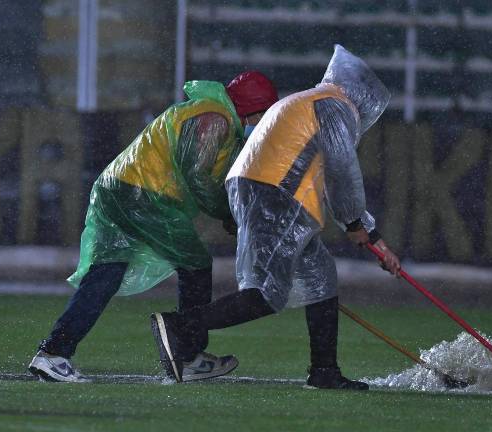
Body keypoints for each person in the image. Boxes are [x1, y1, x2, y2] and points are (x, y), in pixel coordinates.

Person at [150, 45, 401, 390]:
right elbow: (343, 173)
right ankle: (181, 327)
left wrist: (372, 236)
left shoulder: (308, 101)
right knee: (266, 293)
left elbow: (325, 177)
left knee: (320, 279)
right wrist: (356, 223)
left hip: (266, 192)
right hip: (277, 195)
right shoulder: (335, 106)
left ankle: (324, 370)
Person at [28, 72, 279, 383]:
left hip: (118, 188)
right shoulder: (215, 119)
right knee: (196, 264)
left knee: (106, 274)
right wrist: (230, 213)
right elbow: (198, 176)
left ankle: (53, 354)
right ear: (253, 108)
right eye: (265, 113)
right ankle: (187, 354)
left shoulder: (210, 115)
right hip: (144, 196)